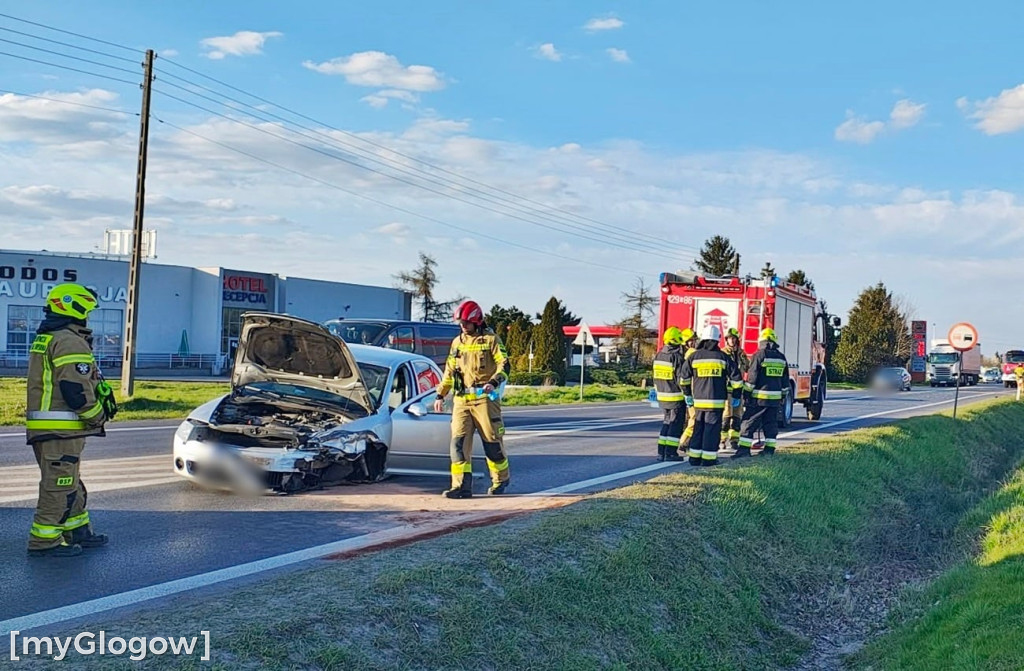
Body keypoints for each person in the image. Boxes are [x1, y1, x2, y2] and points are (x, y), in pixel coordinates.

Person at [25, 284, 115, 557]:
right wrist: (97, 416)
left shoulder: (51, 336)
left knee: (69, 482)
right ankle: (44, 543)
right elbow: (75, 389)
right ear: (75, 307)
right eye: (87, 309)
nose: (88, 315)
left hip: (55, 431)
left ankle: (78, 531)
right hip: (59, 430)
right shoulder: (68, 339)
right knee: (59, 486)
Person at [433, 300, 511, 498]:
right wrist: (440, 394)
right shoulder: (457, 342)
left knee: (492, 443)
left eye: (467, 323)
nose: (463, 326)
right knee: (458, 445)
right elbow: (449, 370)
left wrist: (494, 382)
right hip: (461, 400)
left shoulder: (491, 340)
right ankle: (460, 487)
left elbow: (505, 365)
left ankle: (500, 479)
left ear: (477, 321)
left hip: (485, 399)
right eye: (460, 323)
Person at [679, 325, 743, 466]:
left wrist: (687, 395)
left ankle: (694, 458)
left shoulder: (694, 356)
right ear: (718, 340)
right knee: (712, 430)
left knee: (698, 428)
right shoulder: (723, 357)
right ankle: (708, 460)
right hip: (716, 402)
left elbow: (683, 378)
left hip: (698, 402)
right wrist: (737, 396)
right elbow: (737, 380)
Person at [734, 328, 789, 458]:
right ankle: (769, 450)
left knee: (748, 423)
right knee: (770, 424)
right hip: (774, 400)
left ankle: (743, 451)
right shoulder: (781, 357)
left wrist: (746, 394)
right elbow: (785, 381)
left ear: (762, 341)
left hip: (758, 399)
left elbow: (752, 378)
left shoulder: (759, 355)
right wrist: (782, 396)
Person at [652, 326, 688, 461]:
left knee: (666, 423)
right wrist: (688, 394)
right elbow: (682, 380)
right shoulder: (676, 357)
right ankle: (671, 453)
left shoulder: (659, 355)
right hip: (676, 396)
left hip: (662, 396)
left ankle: (661, 452)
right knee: (675, 425)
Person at [720, 327, 750, 451]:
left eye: (734, 338)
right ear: (726, 340)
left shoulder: (741, 353)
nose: (731, 341)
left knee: (737, 417)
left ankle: (734, 440)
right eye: (729, 338)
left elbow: (747, 368)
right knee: (726, 416)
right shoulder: (722, 353)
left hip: (738, 390)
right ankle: (722, 440)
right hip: (726, 390)